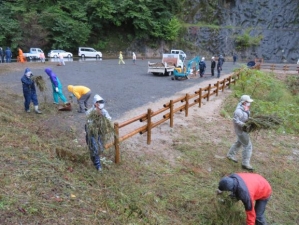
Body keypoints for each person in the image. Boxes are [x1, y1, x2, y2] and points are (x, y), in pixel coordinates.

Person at [227, 95, 254, 170]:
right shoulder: (238, 111)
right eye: (248, 102)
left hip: (244, 129)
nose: (249, 103)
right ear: (244, 102)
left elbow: (246, 117)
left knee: (239, 143)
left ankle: (230, 155)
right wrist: (244, 124)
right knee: (248, 146)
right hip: (241, 130)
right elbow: (236, 120)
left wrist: (250, 120)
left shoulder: (245, 108)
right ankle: (245, 163)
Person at [85, 94, 111, 171]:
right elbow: (89, 123)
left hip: (100, 132)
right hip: (92, 132)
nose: (101, 103)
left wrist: (105, 122)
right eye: (99, 102)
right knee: (94, 147)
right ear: (95, 103)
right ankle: (98, 165)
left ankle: (94, 159)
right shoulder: (90, 112)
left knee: (100, 147)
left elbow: (108, 118)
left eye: (102, 102)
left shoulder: (104, 111)